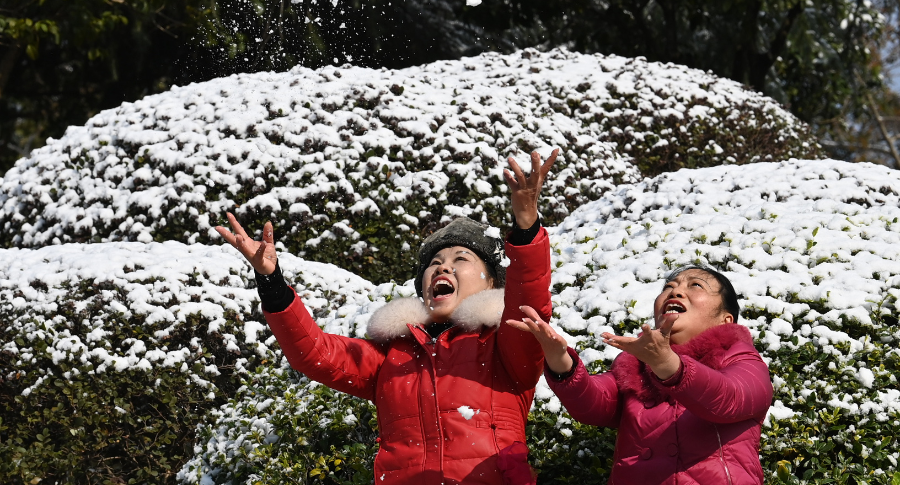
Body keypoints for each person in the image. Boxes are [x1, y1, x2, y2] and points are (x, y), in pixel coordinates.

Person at [216, 150, 559, 485]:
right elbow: (315, 353)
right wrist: (272, 281)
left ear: (491, 282)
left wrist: (527, 227)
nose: (443, 266)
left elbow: (531, 302)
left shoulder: (506, 343)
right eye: (434, 263)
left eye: (461, 258)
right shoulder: (391, 355)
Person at [509, 265, 773, 485]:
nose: (676, 290)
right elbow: (593, 403)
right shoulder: (635, 363)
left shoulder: (740, 357)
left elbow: (728, 397)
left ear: (726, 320)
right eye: (668, 286)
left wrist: (668, 365)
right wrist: (559, 358)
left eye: (696, 285)